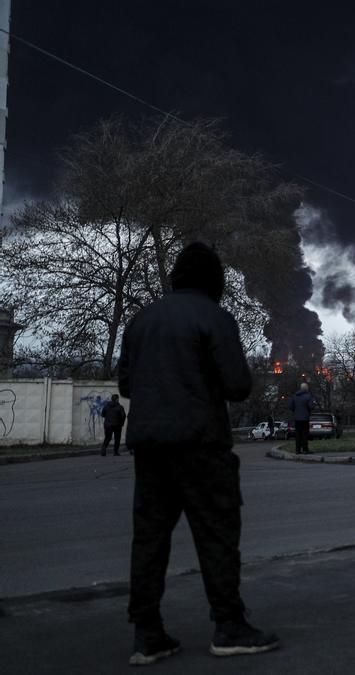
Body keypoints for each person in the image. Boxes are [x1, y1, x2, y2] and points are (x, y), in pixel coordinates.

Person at [118, 242, 279, 666]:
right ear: (215, 281)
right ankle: (229, 626)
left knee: (149, 540)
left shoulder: (140, 320)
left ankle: (147, 633)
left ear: (176, 278)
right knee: (217, 536)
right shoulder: (215, 317)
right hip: (202, 446)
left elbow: (127, 387)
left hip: (149, 449)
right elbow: (238, 385)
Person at [288, 383, 316, 453]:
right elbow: (311, 407)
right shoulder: (308, 396)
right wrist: (313, 405)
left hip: (297, 418)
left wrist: (296, 411)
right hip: (305, 418)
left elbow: (290, 406)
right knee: (305, 434)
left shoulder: (294, 396)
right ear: (306, 388)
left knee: (298, 434)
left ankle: (297, 450)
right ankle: (305, 450)